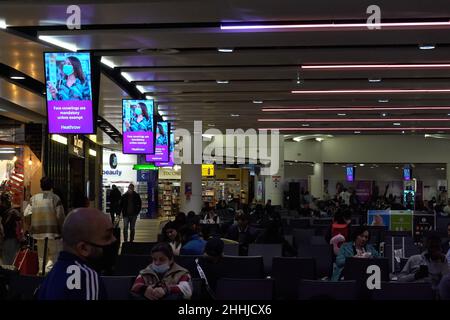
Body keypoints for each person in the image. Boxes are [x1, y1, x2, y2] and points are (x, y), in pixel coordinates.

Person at [37, 208, 115, 300]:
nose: (114, 240)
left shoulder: (53, 274)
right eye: (107, 237)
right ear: (83, 248)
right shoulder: (87, 277)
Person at [24, 177, 66, 273]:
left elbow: (26, 214)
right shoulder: (55, 198)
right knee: (54, 256)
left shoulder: (33, 198)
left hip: (38, 233)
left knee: (41, 257)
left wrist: (31, 225)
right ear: (52, 186)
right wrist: (62, 230)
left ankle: (41, 274)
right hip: (53, 233)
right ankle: (47, 273)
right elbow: (60, 216)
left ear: (40, 186)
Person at [0, 193, 22, 265]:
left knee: (6, 258)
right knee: (12, 259)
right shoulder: (13, 212)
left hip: (6, 238)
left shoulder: (6, 211)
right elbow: (19, 223)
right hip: (11, 237)